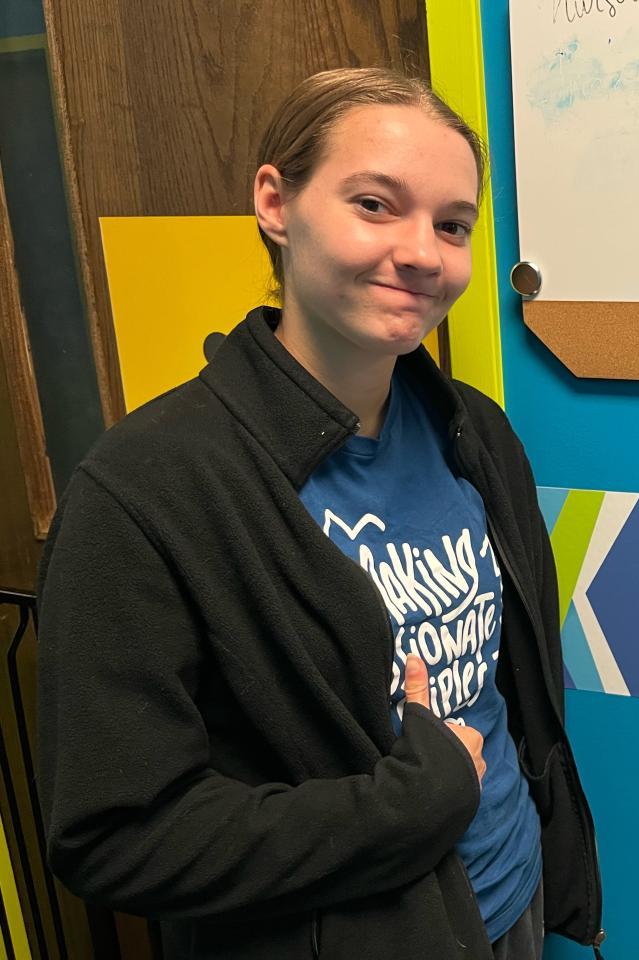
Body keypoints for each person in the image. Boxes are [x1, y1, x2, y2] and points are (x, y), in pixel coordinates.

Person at [35, 68, 605, 960]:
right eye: (376, 205)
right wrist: (410, 804)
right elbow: (115, 836)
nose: (423, 253)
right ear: (276, 203)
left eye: (452, 225)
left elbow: (512, 692)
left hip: (510, 896)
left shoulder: (476, 431)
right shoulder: (148, 490)